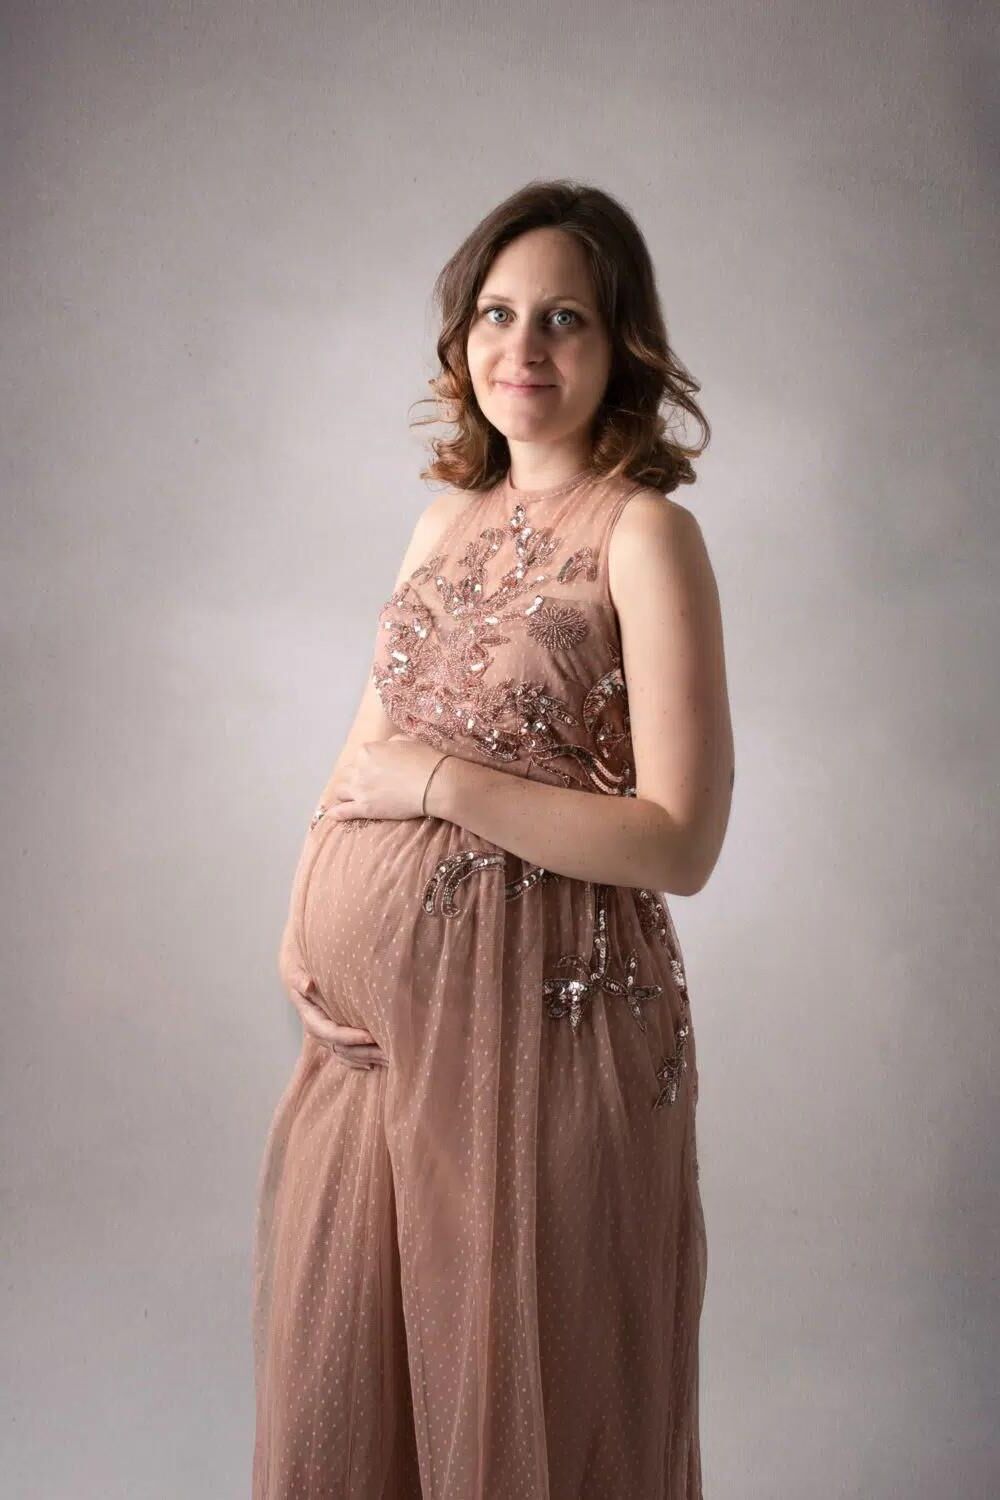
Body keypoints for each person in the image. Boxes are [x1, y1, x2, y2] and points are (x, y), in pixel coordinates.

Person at [251, 178, 734, 1500]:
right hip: (372, 1049)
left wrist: (446, 789)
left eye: (565, 318)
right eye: (499, 313)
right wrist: (308, 945)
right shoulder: (440, 522)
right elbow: (358, 766)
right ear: (463, 338)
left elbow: (682, 841)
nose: (524, 348)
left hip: (550, 1031)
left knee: (536, 1382)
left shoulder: (647, 538)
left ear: (620, 344)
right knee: (369, 1392)